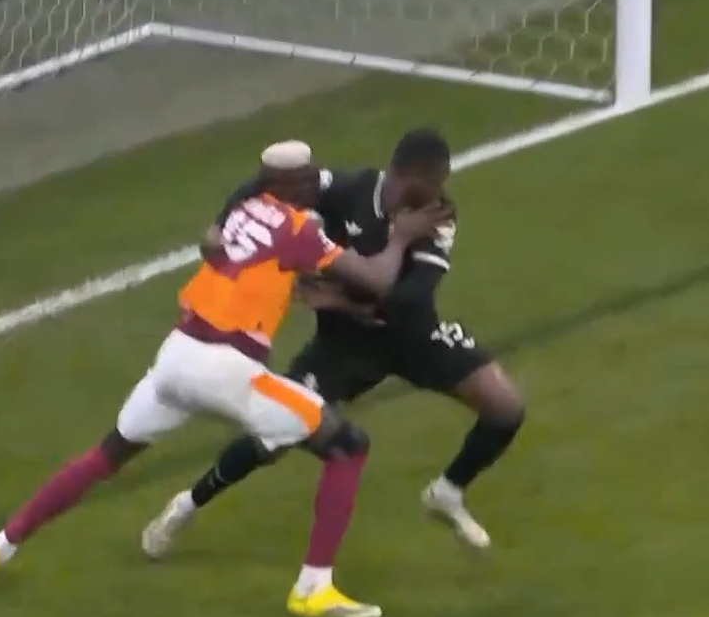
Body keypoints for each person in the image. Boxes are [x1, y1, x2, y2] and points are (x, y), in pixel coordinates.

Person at [0, 140, 448, 617]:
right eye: (306, 178)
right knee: (348, 446)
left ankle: (1, 544)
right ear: (285, 184)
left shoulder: (243, 210)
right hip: (227, 368)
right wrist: (400, 237)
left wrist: (330, 300)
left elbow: (248, 260)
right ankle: (313, 587)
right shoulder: (299, 229)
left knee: (107, 454)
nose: (314, 183)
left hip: (176, 357)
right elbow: (378, 279)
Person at [140, 128, 525, 561]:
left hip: (413, 337)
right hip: (344, 346)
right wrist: (218, 225)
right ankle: (187, 505)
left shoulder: (436, 218)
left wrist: (336, 296)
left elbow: (412, 300)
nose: (440, 194)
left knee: (505, 408)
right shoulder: (348, 189)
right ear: (413, 176)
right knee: (274, 436)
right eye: (436, 182)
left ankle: (447, 492)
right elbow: (267, 186)